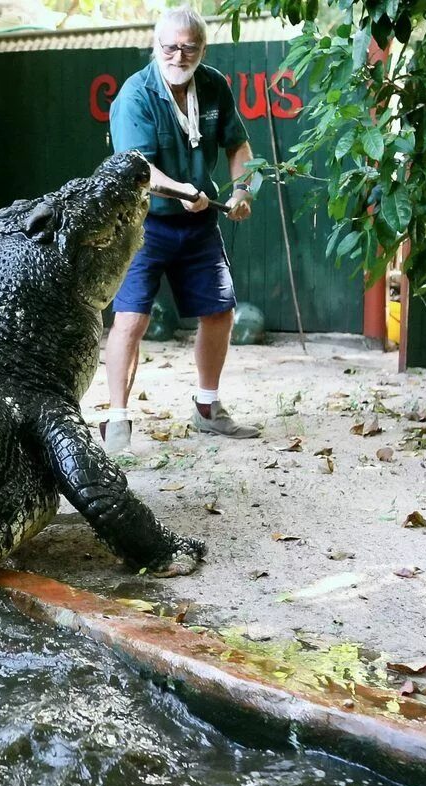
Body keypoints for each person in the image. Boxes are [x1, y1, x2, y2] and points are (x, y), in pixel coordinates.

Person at [100, 5, 259, 455]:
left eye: (189, 47)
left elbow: (239, 144)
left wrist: (242, 189)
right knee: (131, 319)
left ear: (202, 48)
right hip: (142, 224)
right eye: (170, 46)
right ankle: (116, 419)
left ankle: (208, 408)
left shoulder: (213, 84)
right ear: (156, 46)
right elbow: (139, 169)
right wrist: (185, 191)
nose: (178, 55)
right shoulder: (136, 94)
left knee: (219, 310)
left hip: (200, 220)